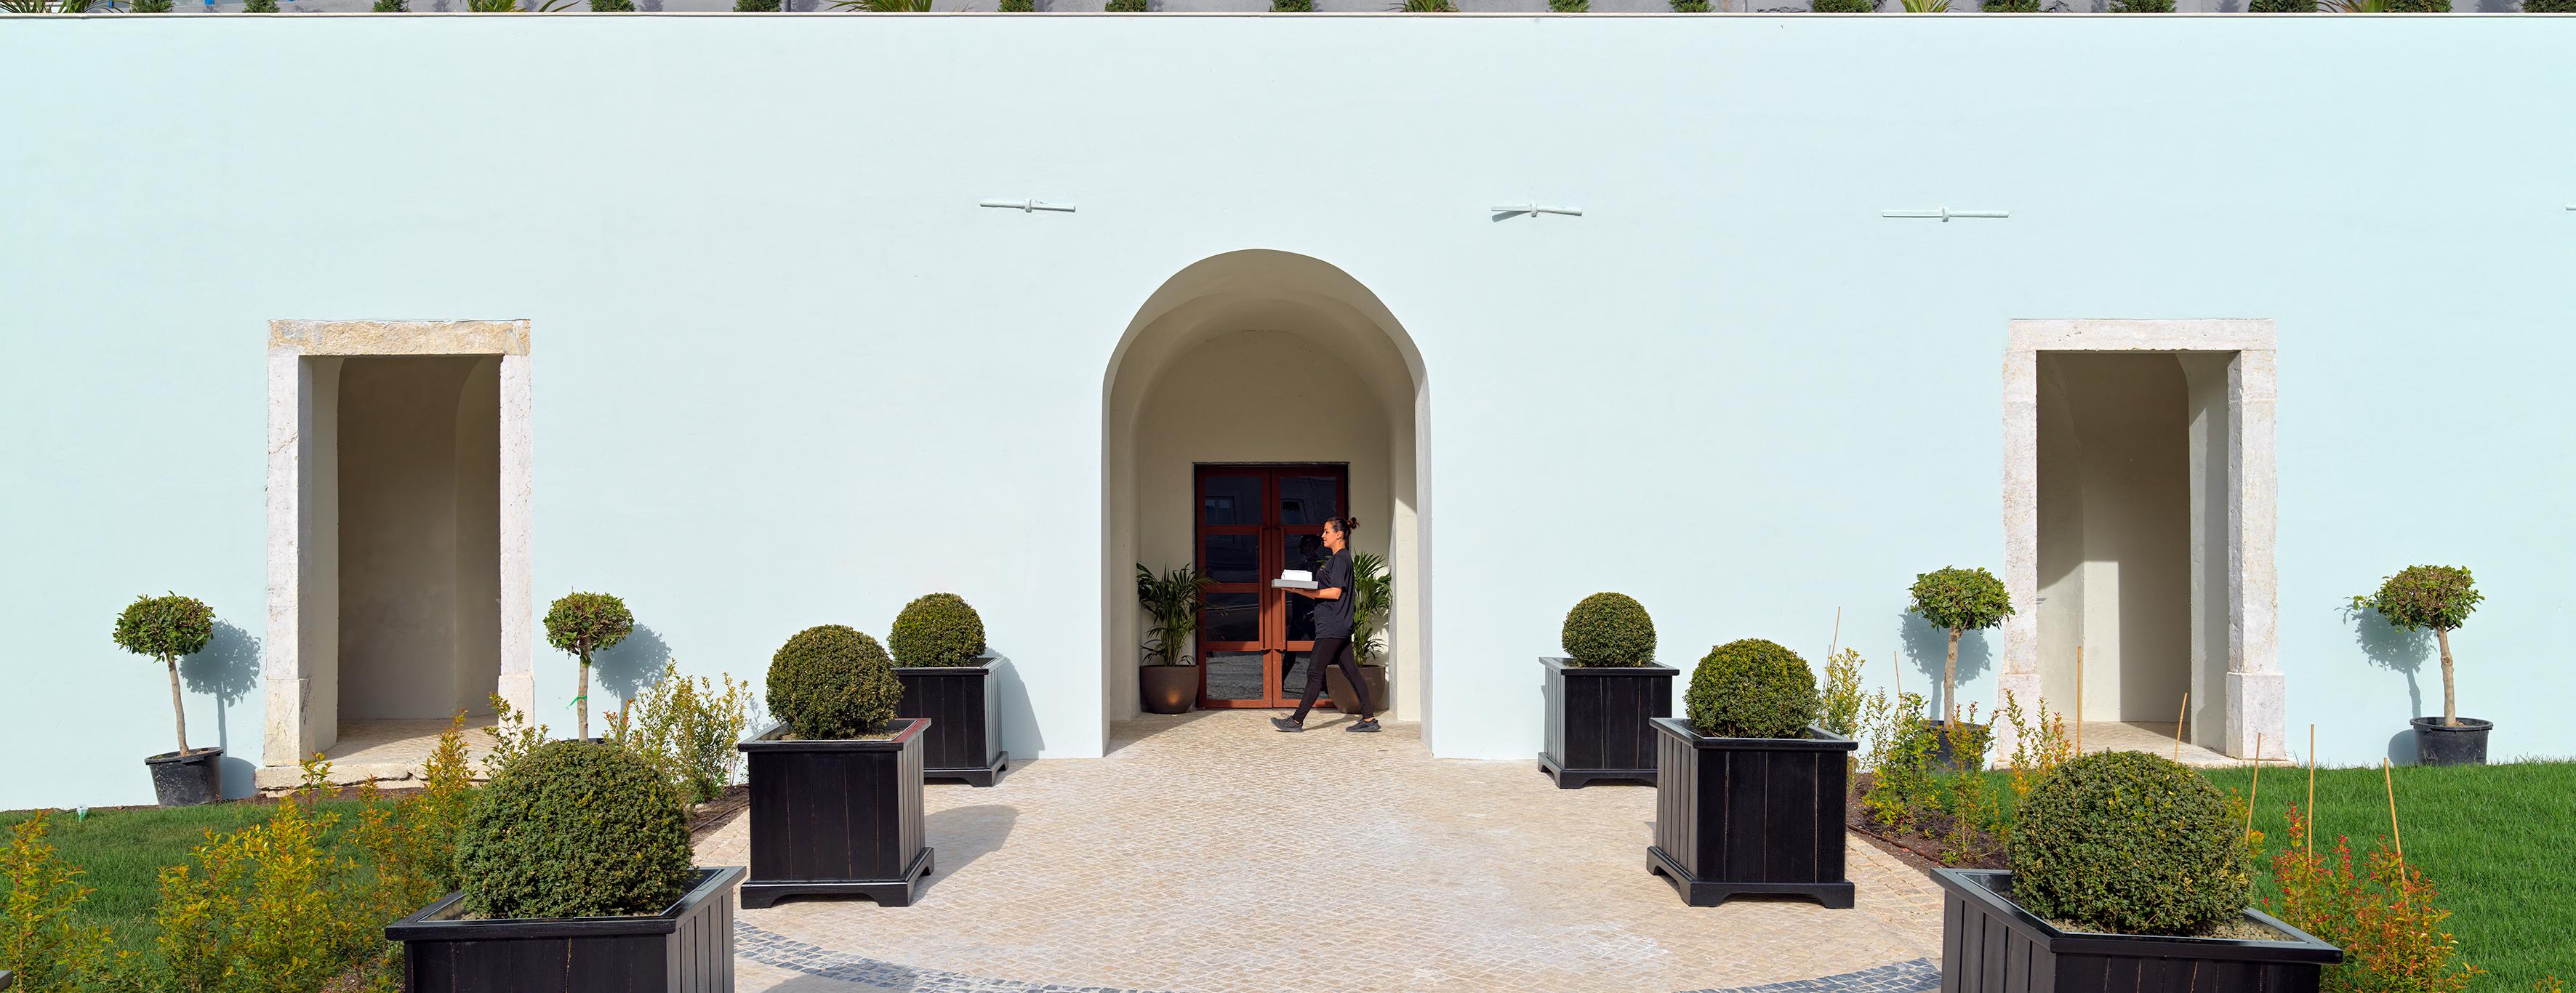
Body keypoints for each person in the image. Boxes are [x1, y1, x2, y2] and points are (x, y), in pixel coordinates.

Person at [1272, 516, 1380, 733]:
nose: (1323, 536)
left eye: (1326, 532)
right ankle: (1369, 720)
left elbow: (1335, 592)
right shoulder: (1338, 559)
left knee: (1314, 673)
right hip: (1337, 625)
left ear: (1338, 534)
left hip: (1332, 626)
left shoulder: (1340, 559)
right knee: (1351, 672)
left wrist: (1302, 591)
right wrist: (1299, 589)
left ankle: (1296, 721)